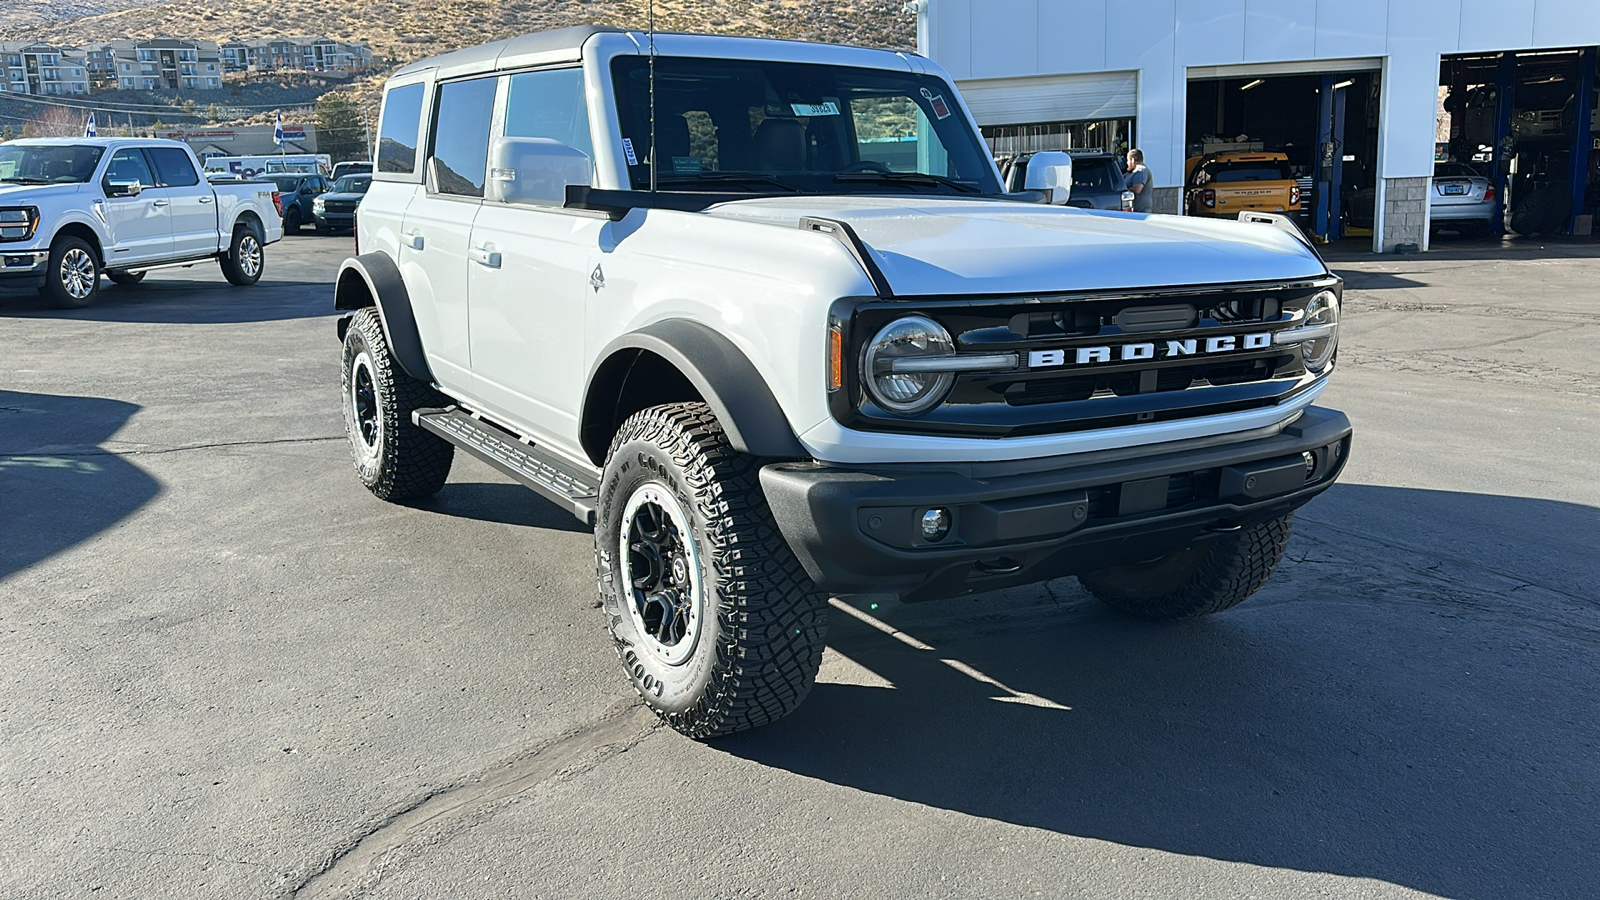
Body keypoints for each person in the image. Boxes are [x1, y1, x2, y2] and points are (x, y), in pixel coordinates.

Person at [1124, 148, 1153, 213]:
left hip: (1141, 211)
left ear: (1133, 160)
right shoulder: (1132, 172)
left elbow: (1137, 189)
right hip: (1135, 210)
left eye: (1128, 160)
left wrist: (1124, 190)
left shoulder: (1141, 170)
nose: (1127, 163)